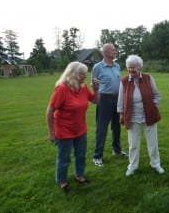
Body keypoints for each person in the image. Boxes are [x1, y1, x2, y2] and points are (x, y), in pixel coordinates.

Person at [46, 61, 99, 193]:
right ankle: (62, 181)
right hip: (64, 130)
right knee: (64, 158)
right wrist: (51, 132)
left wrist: (97, 89)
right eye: (82, 74)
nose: (84, 77)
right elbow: (50, 111)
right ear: (73, 74)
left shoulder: (83, 87)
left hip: (80, 128)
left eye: (85, 75)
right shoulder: (62, 89)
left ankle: (79, 175)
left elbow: (95, 101)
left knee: (80, 155)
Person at [117, 55, 164, 176]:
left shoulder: (148, 78)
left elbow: (157, 95)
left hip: (149, 115)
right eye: (129, 67)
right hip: (132, 117)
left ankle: (155, 164)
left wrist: (153, 106)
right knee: (133, 144)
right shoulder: (124, 81)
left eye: (133, 67)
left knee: (153, 142)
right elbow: (120, 100)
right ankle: (132, 166)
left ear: (140, 67)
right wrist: (121, 114)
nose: (131, 70)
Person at [91, 43, 127, 167]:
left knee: (116, 126)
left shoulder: (117, 65)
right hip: (104, 100)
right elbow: (94, 84)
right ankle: (97, 156)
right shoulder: (97, 67)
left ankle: (117, 150)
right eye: (113, 50)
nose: (115, 51)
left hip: (117, 99)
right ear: (105, 53)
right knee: (102, 128)